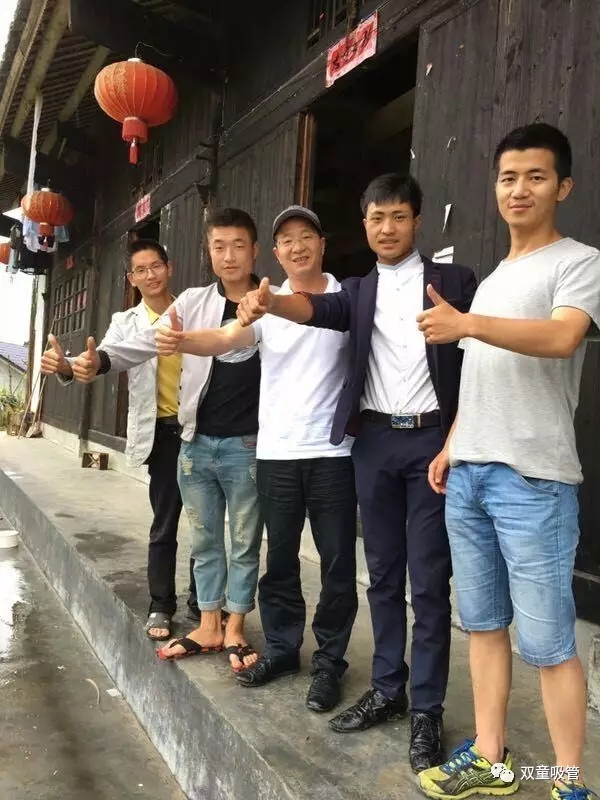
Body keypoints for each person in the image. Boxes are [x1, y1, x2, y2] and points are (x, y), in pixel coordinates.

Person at [235, 175, 477, 772]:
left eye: (398, 216)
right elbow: (316, 308)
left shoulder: (454, 282)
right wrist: (271, 303)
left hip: (431, 443)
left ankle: (426, 710)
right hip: (373, 443)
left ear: (417, 220)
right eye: (376, 218)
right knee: (383, 576)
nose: (387, 228)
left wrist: (454, 439)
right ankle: (388, 688)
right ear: (364, 225)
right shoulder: (359, 291)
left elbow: (479, 364)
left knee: (429, 581)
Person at [415, 123, 600, 800]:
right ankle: (492, 760)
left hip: (533, 480)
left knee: (549, 643)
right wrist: (452, 443)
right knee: (484, 626)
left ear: (563, 187)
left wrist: (466, 323)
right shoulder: (493, 279)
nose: (519, 189)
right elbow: (481, 377)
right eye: (508, 178)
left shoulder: (578, 262)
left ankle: (568, 783)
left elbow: (562, 337)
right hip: (470, 474)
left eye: (536, 177)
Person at [154, 205, 358, 713]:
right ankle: (284, 650)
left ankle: (329, 663)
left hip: (332, 453)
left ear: (322, 244)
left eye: (306, 236)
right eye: (286, 240)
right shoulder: (264, 305)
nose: (297, 246)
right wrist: (179, 339)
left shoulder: (347, 298)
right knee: (279, 561)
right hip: (275, 452)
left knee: (336, 563)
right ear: (276, 253)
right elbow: (226, 338)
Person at [69, 209, 264, 672]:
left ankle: (235, 626)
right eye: (219, 246)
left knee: (243, 540)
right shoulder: (194, 302)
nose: (229, 256)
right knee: (204, 540)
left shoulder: (271, 303)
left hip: (248, 445)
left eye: (238, 245)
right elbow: (146, 343)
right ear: (208, 252)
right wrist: (99, 362)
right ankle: (209, 624)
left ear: (255, 251)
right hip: (195, 443)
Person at [40, 239, 197, 642]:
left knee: (206, 523)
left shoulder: (193, 309)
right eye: (140, 270)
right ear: (131, 278)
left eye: (156, 266)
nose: (150, 275)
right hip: (163, 433)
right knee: (165, 523)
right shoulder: (126, 321)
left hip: (200, 429)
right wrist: (67, 366)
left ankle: (203, 602)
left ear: (169, 267)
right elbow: (101, 359)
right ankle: (161, 604)